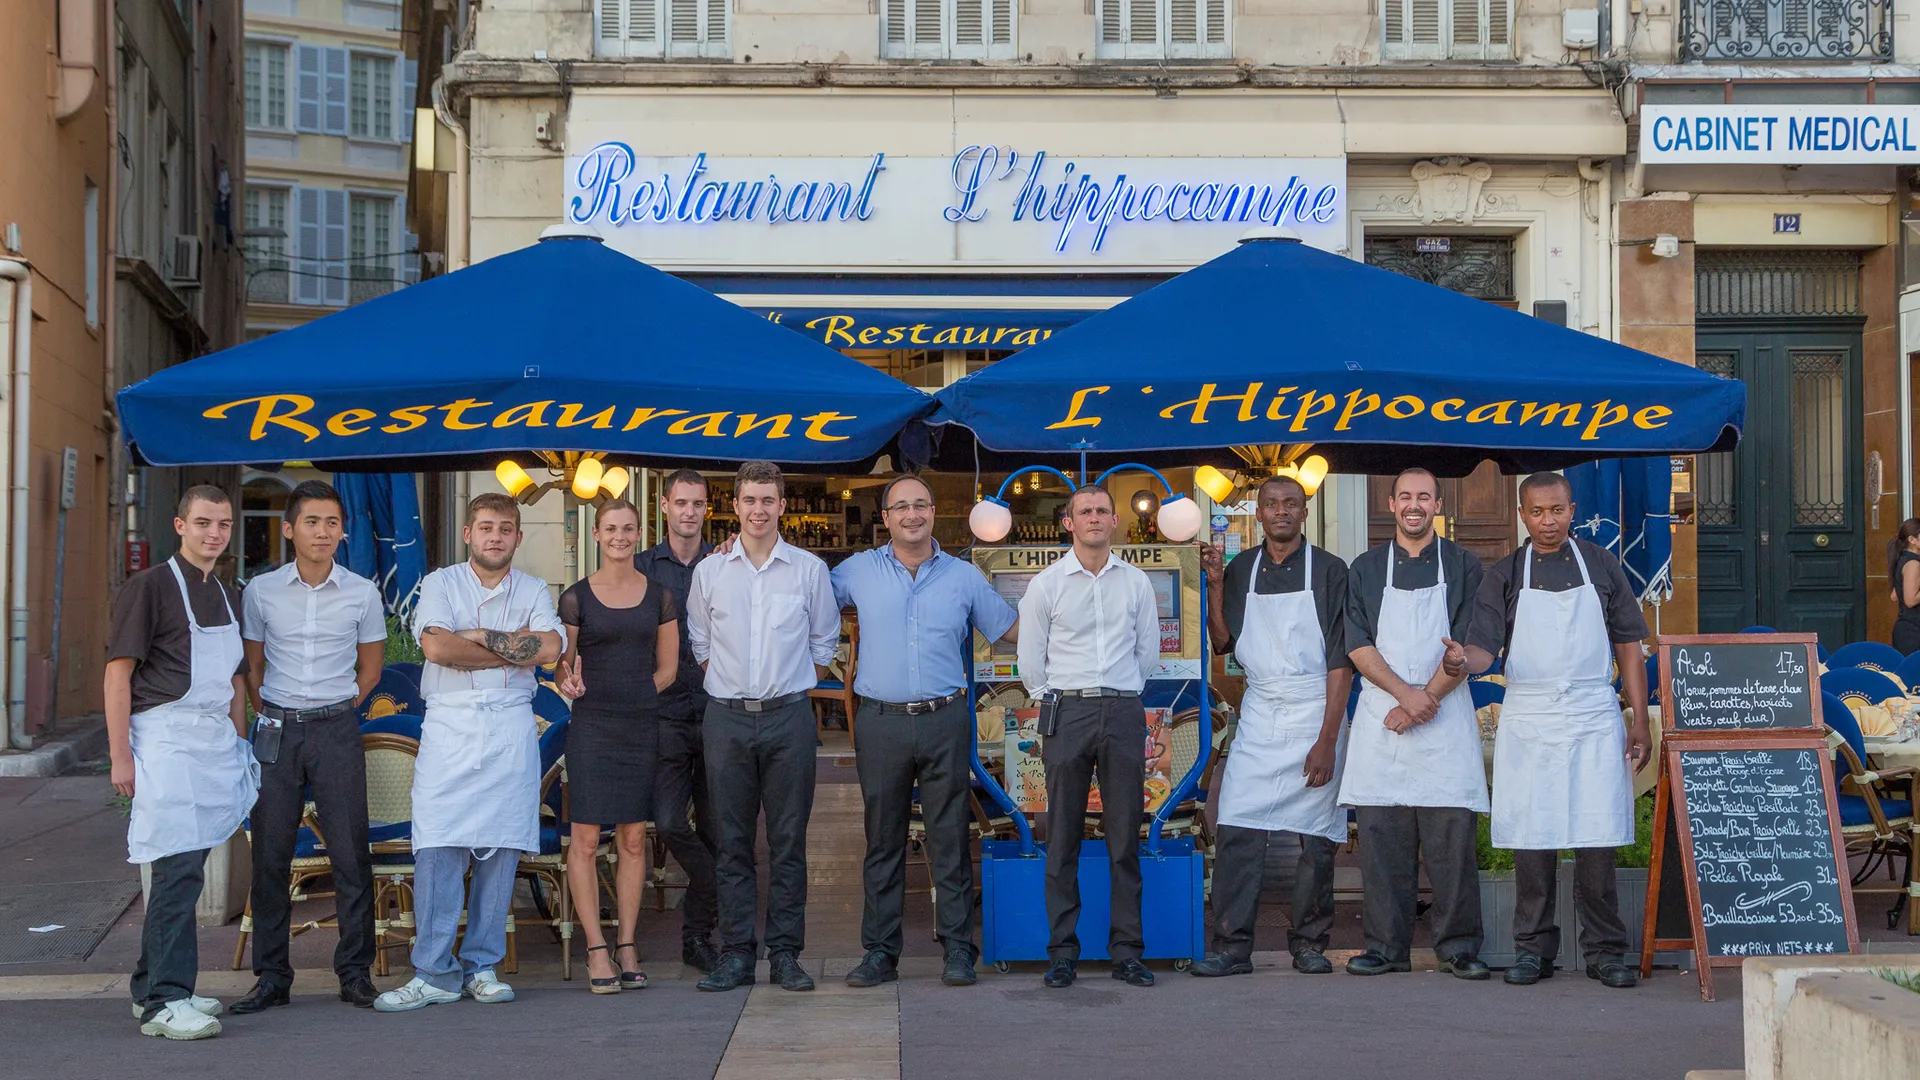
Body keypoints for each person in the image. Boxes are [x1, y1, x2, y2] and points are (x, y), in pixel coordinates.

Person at [374, 493, 563, 1013]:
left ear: (518, 538)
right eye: (486, 527)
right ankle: (433, 972)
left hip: (508, 727)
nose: (495, 536)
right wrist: (508, 645)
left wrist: (474, 637)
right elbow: (436, 648)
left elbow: (549, 649)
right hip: (451, 728)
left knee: (502, 849)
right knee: (438, 846)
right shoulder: (440, 582)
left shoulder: (533, 588)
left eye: (505, 528)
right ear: (467, 534)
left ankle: (482, 965)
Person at [830, 474, 1017, 990]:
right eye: (900, 507)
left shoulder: (963, 577)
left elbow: (1011, 629)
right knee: (882, 840)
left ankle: (958, 949)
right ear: (885, 518)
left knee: (950, 837)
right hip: (881, 721)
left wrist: (1068, 600)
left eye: (920, 505)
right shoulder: (857, 572)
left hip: (944, 718)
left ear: (933, 513)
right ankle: (879, 953)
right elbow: (801, 599)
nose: (912, 515)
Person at [1476, 472, 1652, 989]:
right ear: (1522, 514)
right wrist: (1464, 660)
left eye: (1556, 510)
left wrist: (1638, 718)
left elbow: (1628, 645)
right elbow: (1487, 648)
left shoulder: (1601, 564)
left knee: (1597, 835)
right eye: (1537, 512)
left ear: (1571, 510)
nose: (1547, 521)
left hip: (1594, 712)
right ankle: (1533, 950)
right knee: (1533, 836)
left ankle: (1605, 950)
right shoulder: (1505, 573)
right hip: (1530, 715)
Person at [106, 485, 258, 1040]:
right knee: (175, 868)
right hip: (165, 737)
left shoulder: (225, 590)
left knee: (186, 868)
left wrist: (240, 745)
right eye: (202, 523)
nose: (213, 533)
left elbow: (236, 679)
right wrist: (120, 755)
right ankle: (166, 1003)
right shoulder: (147, 588)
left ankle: (153, 986)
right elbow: (117, 674)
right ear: (179, 525)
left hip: (212, 740)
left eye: (222, 524)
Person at [232, 480, 387, 1015]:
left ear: (343, 531)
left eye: (332, 523)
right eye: (313, 522)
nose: (324, 532)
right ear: (289, 528)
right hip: (276, 727)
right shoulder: (261, 591)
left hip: (336, 728)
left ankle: (354, 972)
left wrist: (335, 707)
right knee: (271, 856)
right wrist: (269, 711)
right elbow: (252, 666)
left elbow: (370, 669)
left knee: (350, 853)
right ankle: (272, 977)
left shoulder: (362, 592)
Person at [686, 461, 841, 993]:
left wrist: (787, 684)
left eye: (767, 500)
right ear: (735, 506)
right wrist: (735, 686)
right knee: (730, 841)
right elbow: (700, 643)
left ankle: (785, 955)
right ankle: (734, 953)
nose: (758, 510)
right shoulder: (710, 571)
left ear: (782, 506)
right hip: (726, 719)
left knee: (788, 843)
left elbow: (825, 644)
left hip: (789, 719)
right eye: (749, 500)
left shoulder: (808, 570)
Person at [1193, 475, 1352, 978]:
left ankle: (1309, 942)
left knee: (1316, 840)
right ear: (1257, 514)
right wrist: (1216, 586)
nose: (1280, 510)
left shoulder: (1330, 570)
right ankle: (1232, 946)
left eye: (1291, 503)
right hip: (1261, 711)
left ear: (1305, 512)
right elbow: (1222, 643)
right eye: (1270, 504)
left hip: (1316, 709)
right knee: (1237, 825)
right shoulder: (1242, 568)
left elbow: (1340, 662)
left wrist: (1327, 741)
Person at [1337, 467, 1493, 980]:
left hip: (1444, 723)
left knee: (1451, 844)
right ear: (1390, 502)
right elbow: (1357, 643)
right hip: (1384, 718)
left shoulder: (1466, 565)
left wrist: (1428, 697)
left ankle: (1459, 948)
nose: (1414, 505)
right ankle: (1386, 947)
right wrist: (1406, 696)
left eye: (1423, 496)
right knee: (1382, 843)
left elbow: (1469, 645)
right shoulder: (1364, 567)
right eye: (1405, 496)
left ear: (1437, 504)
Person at [1018, 485, 1161, 990]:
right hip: (1067, 710)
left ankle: (1127, 951)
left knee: (1125, 838)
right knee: (1062, 837)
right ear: (1068, 523)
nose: (1095, 518)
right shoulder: (1047, 584)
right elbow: (1031, 660)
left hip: (1123, 709)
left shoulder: (1137, 582)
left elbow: (1147, 654)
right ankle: (1062, 953)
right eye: (1085, 511)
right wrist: (1055, 697)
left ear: (1115, 521)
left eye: (1102, 510)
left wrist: (1119, 694)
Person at [555, 498, 679, 994]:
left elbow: (668, 669)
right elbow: (563, 666)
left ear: (639, 533)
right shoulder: (576, 597)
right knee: (585, 840)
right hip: (590, 726)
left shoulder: (660, 595)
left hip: (640, 724)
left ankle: (626, 942)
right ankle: (595, 948)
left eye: (629, 529)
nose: (621, 537)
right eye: (612, 529)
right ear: (598, 535)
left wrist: (637, 695)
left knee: (632, 839)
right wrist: (570, 684)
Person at [634, 468, 720, 973]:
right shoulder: (642, 568)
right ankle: (720, 884)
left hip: (717, 712)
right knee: (667, 821)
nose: (689, 511)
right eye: (680, 503)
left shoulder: (727, 561)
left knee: (715, 828)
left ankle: (697, 937)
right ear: (663, 507)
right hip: (663, 714)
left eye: (698, 503)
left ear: (708, 509)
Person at [1889, 518, 1920, 655]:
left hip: (1906, 629)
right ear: (1912, 540)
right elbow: (1910, 600)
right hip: (1913, 631)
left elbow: (1895, 596)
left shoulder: (1903, 559)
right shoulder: (1913, 564)